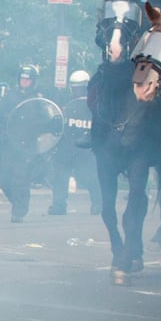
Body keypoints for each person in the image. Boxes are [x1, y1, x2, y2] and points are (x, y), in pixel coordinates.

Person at [0, 64, 47, 223]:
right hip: (9, 143)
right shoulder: (10, 96)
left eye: (28, 79)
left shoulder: (38, 100)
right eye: (22, 79)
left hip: (27, 145)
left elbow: (46, 120)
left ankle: (19, 210)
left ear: (33, 81)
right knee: (4, 180)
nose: (24, 82)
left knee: (21, 178)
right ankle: (17, 202)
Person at [49, 69, 100, 215]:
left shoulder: (95, 103)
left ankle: (98, 203)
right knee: (60, 175)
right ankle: (59, 205)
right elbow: (58, 121)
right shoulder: (66, 102)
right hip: (67, 144)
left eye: (80, 88)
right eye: (74, 88)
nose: (77, 91)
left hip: (86, 146)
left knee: (89, 176)